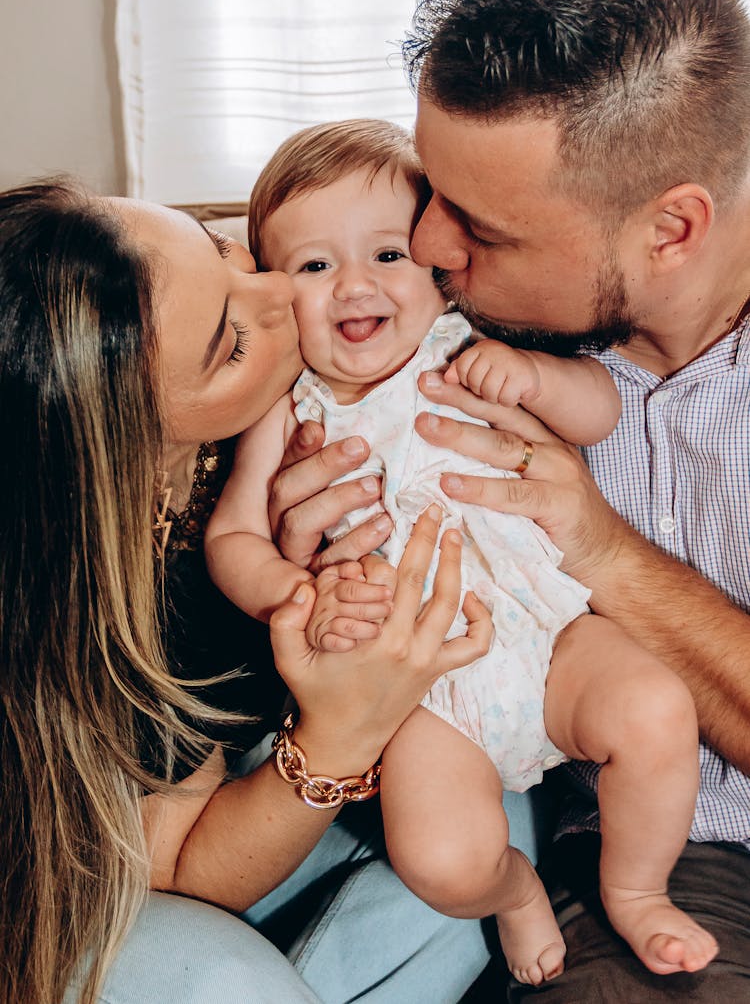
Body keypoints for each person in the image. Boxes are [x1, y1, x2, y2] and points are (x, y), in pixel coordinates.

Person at [205, 118, 717, 986]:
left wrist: (538, 381)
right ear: (273, 293)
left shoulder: (470, 344)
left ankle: (633, 889)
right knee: (440, 861)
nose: (354, 285)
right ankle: (517, 892)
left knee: (659, 712)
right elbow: (233, 537)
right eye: (315, 265)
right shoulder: (290, 404)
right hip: (421, 689)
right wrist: (298, 594)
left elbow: (601, 409)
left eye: (387, 255)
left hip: (553, 630)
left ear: (439, 273)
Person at [0, 177, 498, 1004]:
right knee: (231, 984)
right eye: (230, 342)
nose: (280, 291)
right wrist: (344, 728)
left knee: (478, 850)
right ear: (126, 447)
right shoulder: (82, 598)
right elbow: (180, 869)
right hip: (98, 895)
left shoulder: (301, 406)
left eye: (222, 250)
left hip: (252, 789)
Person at [390, 0, 750, 999]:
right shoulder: (443, 327)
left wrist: (599, 544)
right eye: (426, 189)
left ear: (672, 228)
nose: (424, 243)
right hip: (664, 859)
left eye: (479, 228)